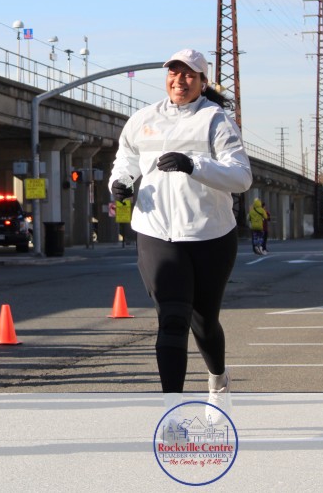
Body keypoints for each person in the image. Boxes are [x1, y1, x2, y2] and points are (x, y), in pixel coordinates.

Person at [108, 48, 252, 425]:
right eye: (174, 72)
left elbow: (241, 177)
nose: (180, 80)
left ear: (203, 81)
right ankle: (171, 416)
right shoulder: (144, 119)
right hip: (156, 231)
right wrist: (120, 182)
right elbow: (125, 159)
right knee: (172, 319)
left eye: (189, 74)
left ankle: (218, 382)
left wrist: (193, 164)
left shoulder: (215, 120)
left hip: (210, 234)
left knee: (204, 321)